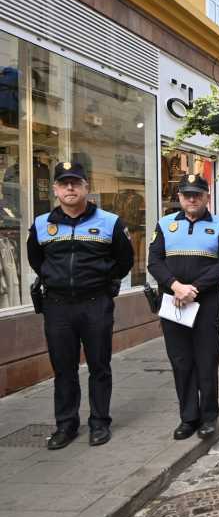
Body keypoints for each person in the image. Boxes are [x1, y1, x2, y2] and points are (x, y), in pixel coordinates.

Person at [27, 161, 134, 449]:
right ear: (55, 189)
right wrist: (56, 279)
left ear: (87, 187)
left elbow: (124, 260)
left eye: (75, 182)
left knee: (99, 365)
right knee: (64, 369)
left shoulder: (109, 222)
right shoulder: (41, 224)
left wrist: (103, 281)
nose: (70, 188)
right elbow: (36, 260)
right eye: (64, 183)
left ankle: (99, 423)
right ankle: (66, 426)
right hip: (57, 306)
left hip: (95, 303)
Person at [148, 174, 219, 441]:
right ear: (180, 198)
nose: (192, 199)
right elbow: (154, 261)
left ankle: (208, 416)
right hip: (173, 302)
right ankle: (188, 418)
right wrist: (176, 286)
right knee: (181, 361)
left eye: (197, 194)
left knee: (206, 360)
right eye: (187, 194)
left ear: (207, 197)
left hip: (206, 302)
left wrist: (193, 288)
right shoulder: (165, 225)